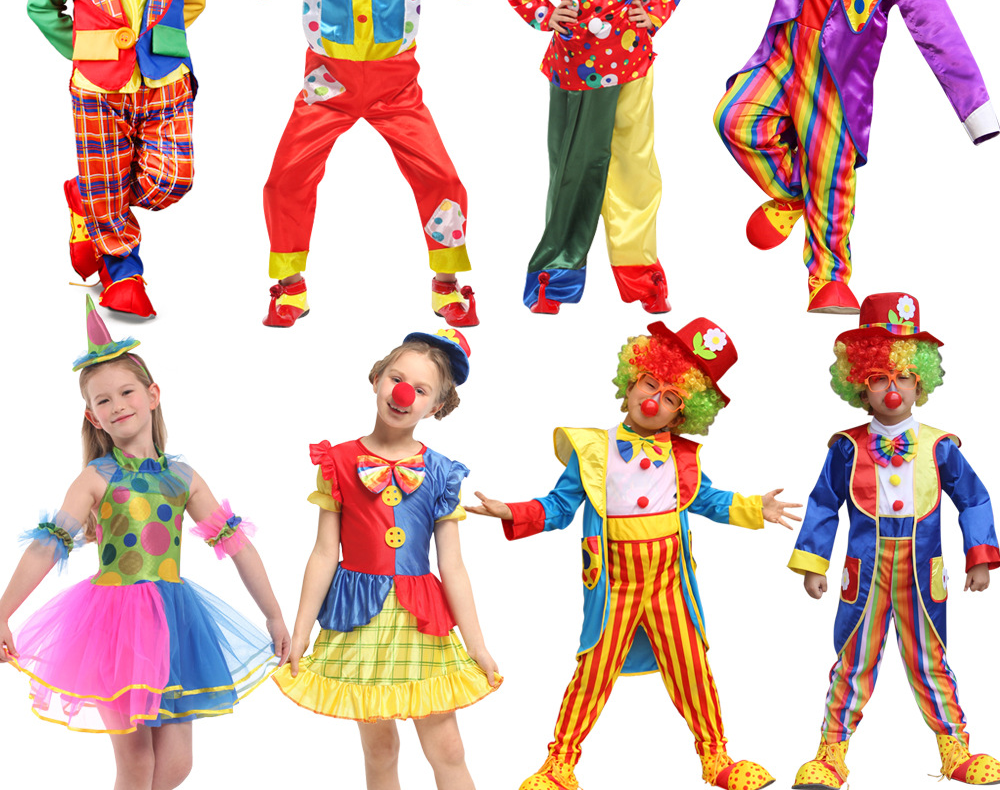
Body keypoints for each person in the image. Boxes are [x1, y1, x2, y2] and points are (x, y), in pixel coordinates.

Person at [664, 0, 996, 315]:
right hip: (781, 53)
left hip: (836, 82)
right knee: (733, 119)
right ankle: (793, 194)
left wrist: (975, 108)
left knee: (830, 170)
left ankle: (829, 279)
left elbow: (939, 33)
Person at [468, 318, 800, 790]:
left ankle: (716, 758)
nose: (654, 400)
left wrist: (754, 507)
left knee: (692, 666)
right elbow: (560, 507)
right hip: (614, 585)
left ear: (681, 416)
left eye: (671, 397)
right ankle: (559, 764)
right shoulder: (593, 449)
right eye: (649, 384)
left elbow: (706, 499)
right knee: (594, 670)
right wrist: (512, 511)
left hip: (670, 584)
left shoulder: (681, 457)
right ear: (629, 382)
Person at [0, 298, 290, 788]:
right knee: (136, 763)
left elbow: (238, 546)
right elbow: (47, 546)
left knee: (176, 765)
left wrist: (274, 614)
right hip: (115, 624)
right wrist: (3, 610)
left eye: (127, 391)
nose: (117, 405)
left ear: (153, 395)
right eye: (103, 401)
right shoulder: (96, 478)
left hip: (175, 622)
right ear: (93, 418)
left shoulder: (182, 477)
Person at [227, 0, 492, 329]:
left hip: (398, 87)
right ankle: (289, 286)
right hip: (327, 84)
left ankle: (447, 282)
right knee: (284, 180)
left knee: (442, 178)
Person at [788, 292, 1000, 787]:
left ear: (919, 383)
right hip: (865, 568)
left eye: (902, 376)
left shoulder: (940, 446)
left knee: (930, 658)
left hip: (922, 569)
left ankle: (954, 747)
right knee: (854, 658)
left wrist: (979, 556)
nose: (892, 388)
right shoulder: (846, 447)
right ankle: (831, 753)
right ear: (860, 387)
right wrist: (813, 562)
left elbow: (973, 499)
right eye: (879, 378)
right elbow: (823, 503)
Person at [273, 328, 501, 789]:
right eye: (397, 379)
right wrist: (300, 631)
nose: (403, 394)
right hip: (359, 617)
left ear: (435, 406)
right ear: (377, 378)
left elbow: (452, 565)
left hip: (421, 619)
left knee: (448, 748)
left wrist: (476, 643)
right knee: (379, 750)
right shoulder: (338, 461)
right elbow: (324, 553)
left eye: (420, 389)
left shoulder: (441, 471)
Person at [496, 0, 692, 315]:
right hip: (576, 66)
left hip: (633, 62)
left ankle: (640, 274)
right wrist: (543, 12)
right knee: (574, 170)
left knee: (635, 167)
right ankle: (557, 274)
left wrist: (655, 11)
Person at [29, 0, 206, 319]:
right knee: (107, 184)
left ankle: (88, 197)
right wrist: (86, 50)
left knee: (172, 180)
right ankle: (124, 275)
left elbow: (192, 1)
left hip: (166, 81)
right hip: (96, 89)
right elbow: (41, 8)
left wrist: (159, 43)